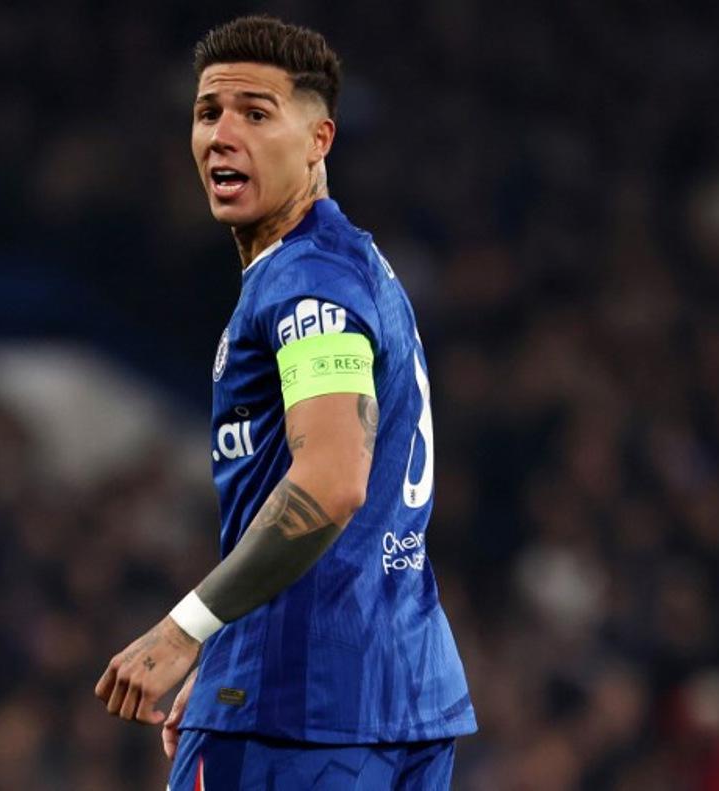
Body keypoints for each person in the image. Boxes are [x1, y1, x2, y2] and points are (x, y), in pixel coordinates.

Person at [94, 15, 477, 789]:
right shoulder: (351, 264)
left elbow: (333, 480)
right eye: (209, 113)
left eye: (256, 113)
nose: (222, 135)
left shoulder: (309, 282)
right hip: (392, 695)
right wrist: (234, 644)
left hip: (303, 718)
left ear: (319, 139)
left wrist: (186, 629)